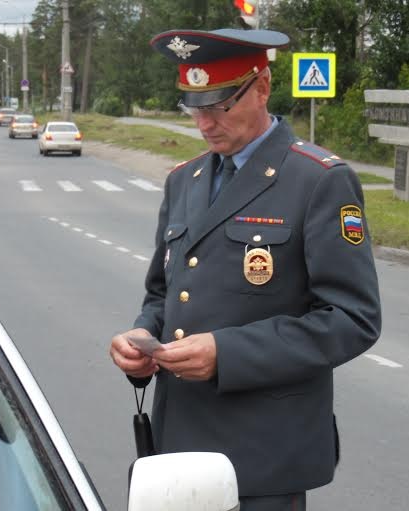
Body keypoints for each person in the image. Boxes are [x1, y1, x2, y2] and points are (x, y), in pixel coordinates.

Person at [110, 27, 382, 511]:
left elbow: (352, 319)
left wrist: (227, 353)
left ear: (261, 88)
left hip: (261, 456)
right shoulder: (184, 180)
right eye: (194, 107)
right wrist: (141, 339)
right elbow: (162, 292)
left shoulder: (319, 181)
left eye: (219, 105)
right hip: (179, 448)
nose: (204, 123)